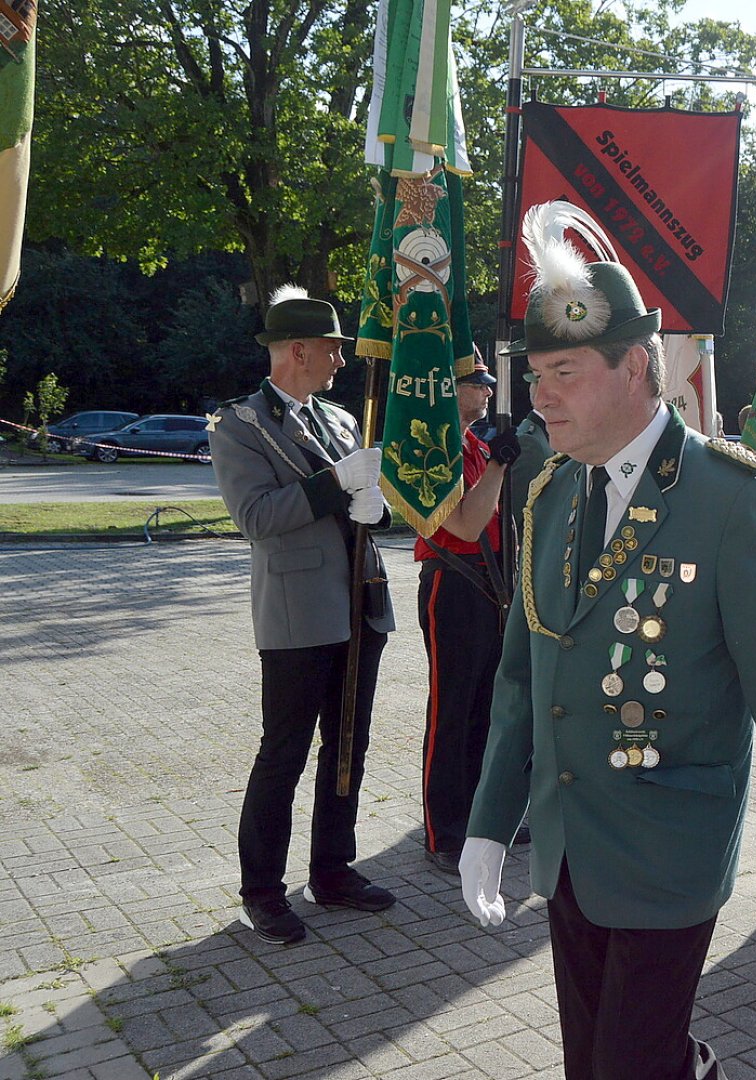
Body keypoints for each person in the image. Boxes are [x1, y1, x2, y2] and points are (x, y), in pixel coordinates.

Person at [459, 205, 756, 1080]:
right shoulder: (549, 494)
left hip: (670, 846)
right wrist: (490, 821)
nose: (539, 395)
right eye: (535, 374)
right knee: (593, 1065)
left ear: (635, 367)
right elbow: (524, 679)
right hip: (568, 851)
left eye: (563, 371)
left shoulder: (733, 499)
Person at [209, 285, 397, 946]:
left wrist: (377, 504)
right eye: (333, 349)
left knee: (349, 744)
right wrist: (335, 485)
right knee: (283, 752)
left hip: (360, 601)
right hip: (298, 613)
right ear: (296, 351)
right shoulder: (239, 425)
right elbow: (257, 518)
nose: (341, 361)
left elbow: (366, 498)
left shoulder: (342, 421)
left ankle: (332, 871)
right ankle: (262, 890)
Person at [414, 356, 524, 875]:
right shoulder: (433, 446)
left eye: (487, 383)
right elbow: (462, 526)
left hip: (490, 583)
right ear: (447, 387)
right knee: (451, 711)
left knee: (486, 706)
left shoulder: (476, 445)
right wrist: (500, 467)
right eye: (475, 382)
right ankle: (444, 831)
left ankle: (481, 819)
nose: (486, 391)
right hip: (453, 579)